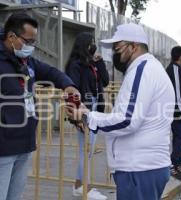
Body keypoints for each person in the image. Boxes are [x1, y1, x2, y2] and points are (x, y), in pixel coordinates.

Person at [0, 13, 78, 200]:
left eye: (34, 42)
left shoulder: (25, 61)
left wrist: (68, 84)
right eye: (29, 41)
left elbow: (50, 71)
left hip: (24, 143)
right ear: (11, 37)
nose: (32, 46)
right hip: (0, 148)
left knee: (15, 196)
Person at [66, 23, 175, 200]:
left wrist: (87, 116)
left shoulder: (142, 70)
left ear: (134, 46)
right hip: (142, 167)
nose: (114, 53)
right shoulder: (146, 68)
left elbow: (127, 120)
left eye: (117, 48)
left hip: (139, 169)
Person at [65, 32, 109, 200]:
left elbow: (104, 81)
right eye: (91, 43)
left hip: (96, 109)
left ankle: (79, 186)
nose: (93, 45)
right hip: (83, 110)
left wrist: (101, 62)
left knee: (88, 150)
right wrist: (77, 117)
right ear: (83, 45)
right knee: (86, 150)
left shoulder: (92, 64)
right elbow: (72, 89)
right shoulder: (76, 65)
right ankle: (85, 188)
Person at [166, 46, 181, 181]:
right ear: (180, 56)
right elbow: (177, 93)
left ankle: (177, 163)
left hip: (175, 109)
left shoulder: (178, 69)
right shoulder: (174, 69)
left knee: (178, 138)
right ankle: (172, 164)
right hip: (175, 110)